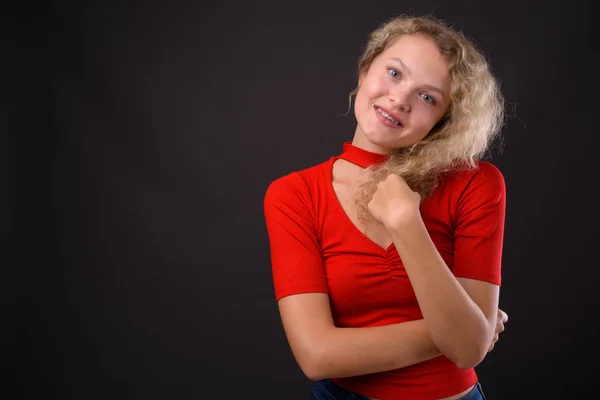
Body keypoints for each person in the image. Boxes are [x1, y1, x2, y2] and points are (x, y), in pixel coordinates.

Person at [263, 14, 509, 400]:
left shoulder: (477, 184)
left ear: (443, 121)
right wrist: (467, 330)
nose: (399, 99)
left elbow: (466, 352)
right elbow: (316, 357)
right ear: (365, 71)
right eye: (394, 73)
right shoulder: (294, 194)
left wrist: (406, 223)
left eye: (427, 97)